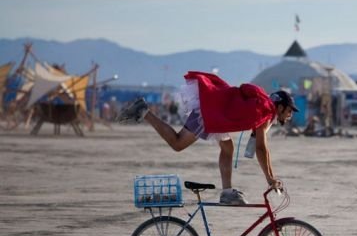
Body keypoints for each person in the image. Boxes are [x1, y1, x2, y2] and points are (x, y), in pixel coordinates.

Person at [117, 71, 297, 205]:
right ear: (279, 107)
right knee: (178, 143)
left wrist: (270, 176)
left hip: (216, 110)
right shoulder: (266, 111)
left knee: (228, 148)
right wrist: (270, 178)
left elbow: (259, 146)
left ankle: (227, 192)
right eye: (289, 111)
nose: (290, 116)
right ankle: (144, 112)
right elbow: (261, 148)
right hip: (210, 112)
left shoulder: (263, 104)